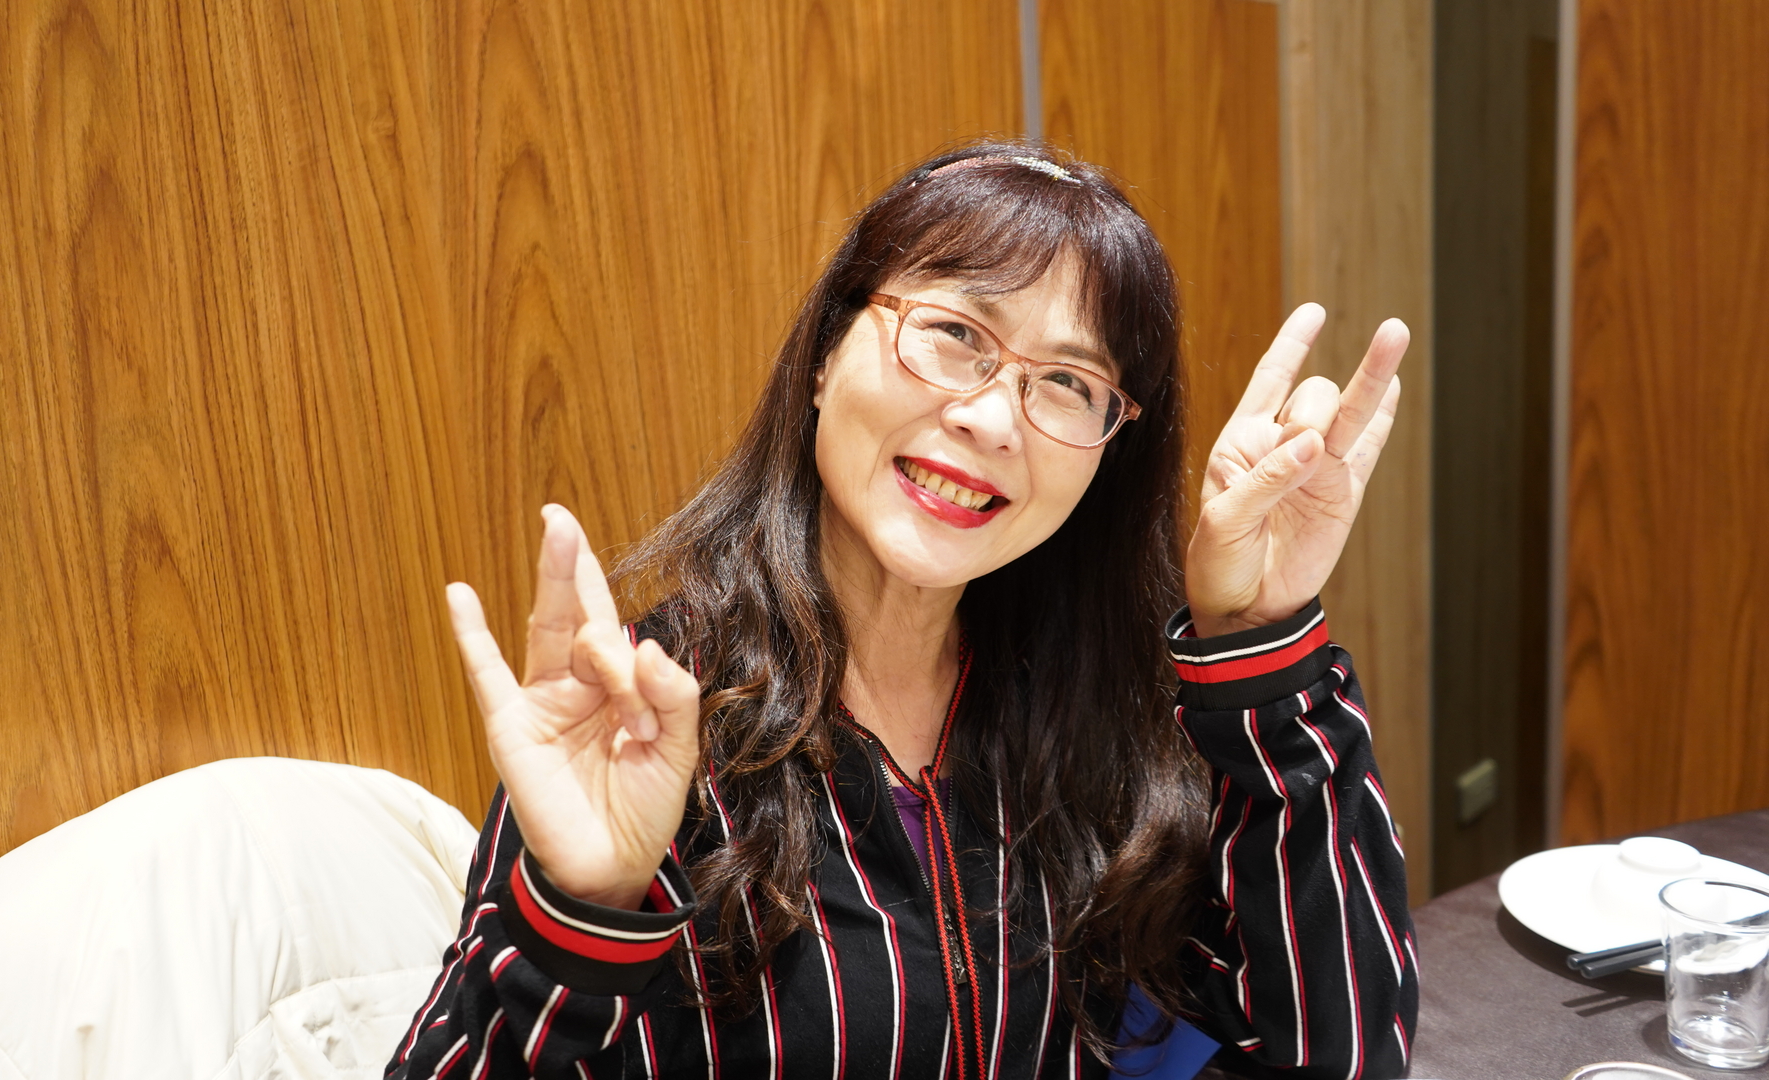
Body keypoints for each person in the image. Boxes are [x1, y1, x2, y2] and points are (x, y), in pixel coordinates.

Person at [386, 143, 1418, 1080]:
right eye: (954, 333)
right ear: (826, 351)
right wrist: (578, 919)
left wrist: (1258, 643)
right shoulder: (645, 718)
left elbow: (1337, 1055)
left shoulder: (1091, 711)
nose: (990, 419)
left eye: (1066, 382)